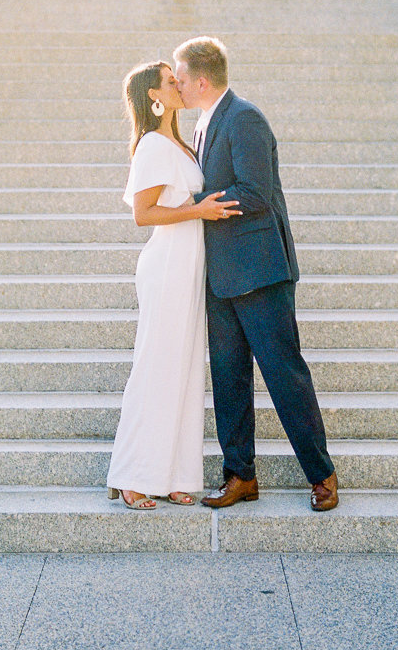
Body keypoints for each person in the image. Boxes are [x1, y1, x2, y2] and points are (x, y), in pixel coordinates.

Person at [173, 36, 339, 512]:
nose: (178, 87)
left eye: (182, 79)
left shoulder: (244, 117)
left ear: (201, 80)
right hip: (220, 277)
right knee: (229, 379)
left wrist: (200, 208)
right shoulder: (204, 122)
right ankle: (240, 475)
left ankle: (322, 475)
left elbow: (257, 193)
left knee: (285, 376)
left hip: (260, 272)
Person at [106, 60, 240, 510]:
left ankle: (175, 475)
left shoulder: (179, 142)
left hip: (191, 266)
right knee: (156, 368)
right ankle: (132, 476)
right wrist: (198, 212)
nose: (179, 85)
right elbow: (143, 215)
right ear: (153, 95)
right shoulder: (150, 146)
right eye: (170, 81)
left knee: (184, 372)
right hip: (166, 267)